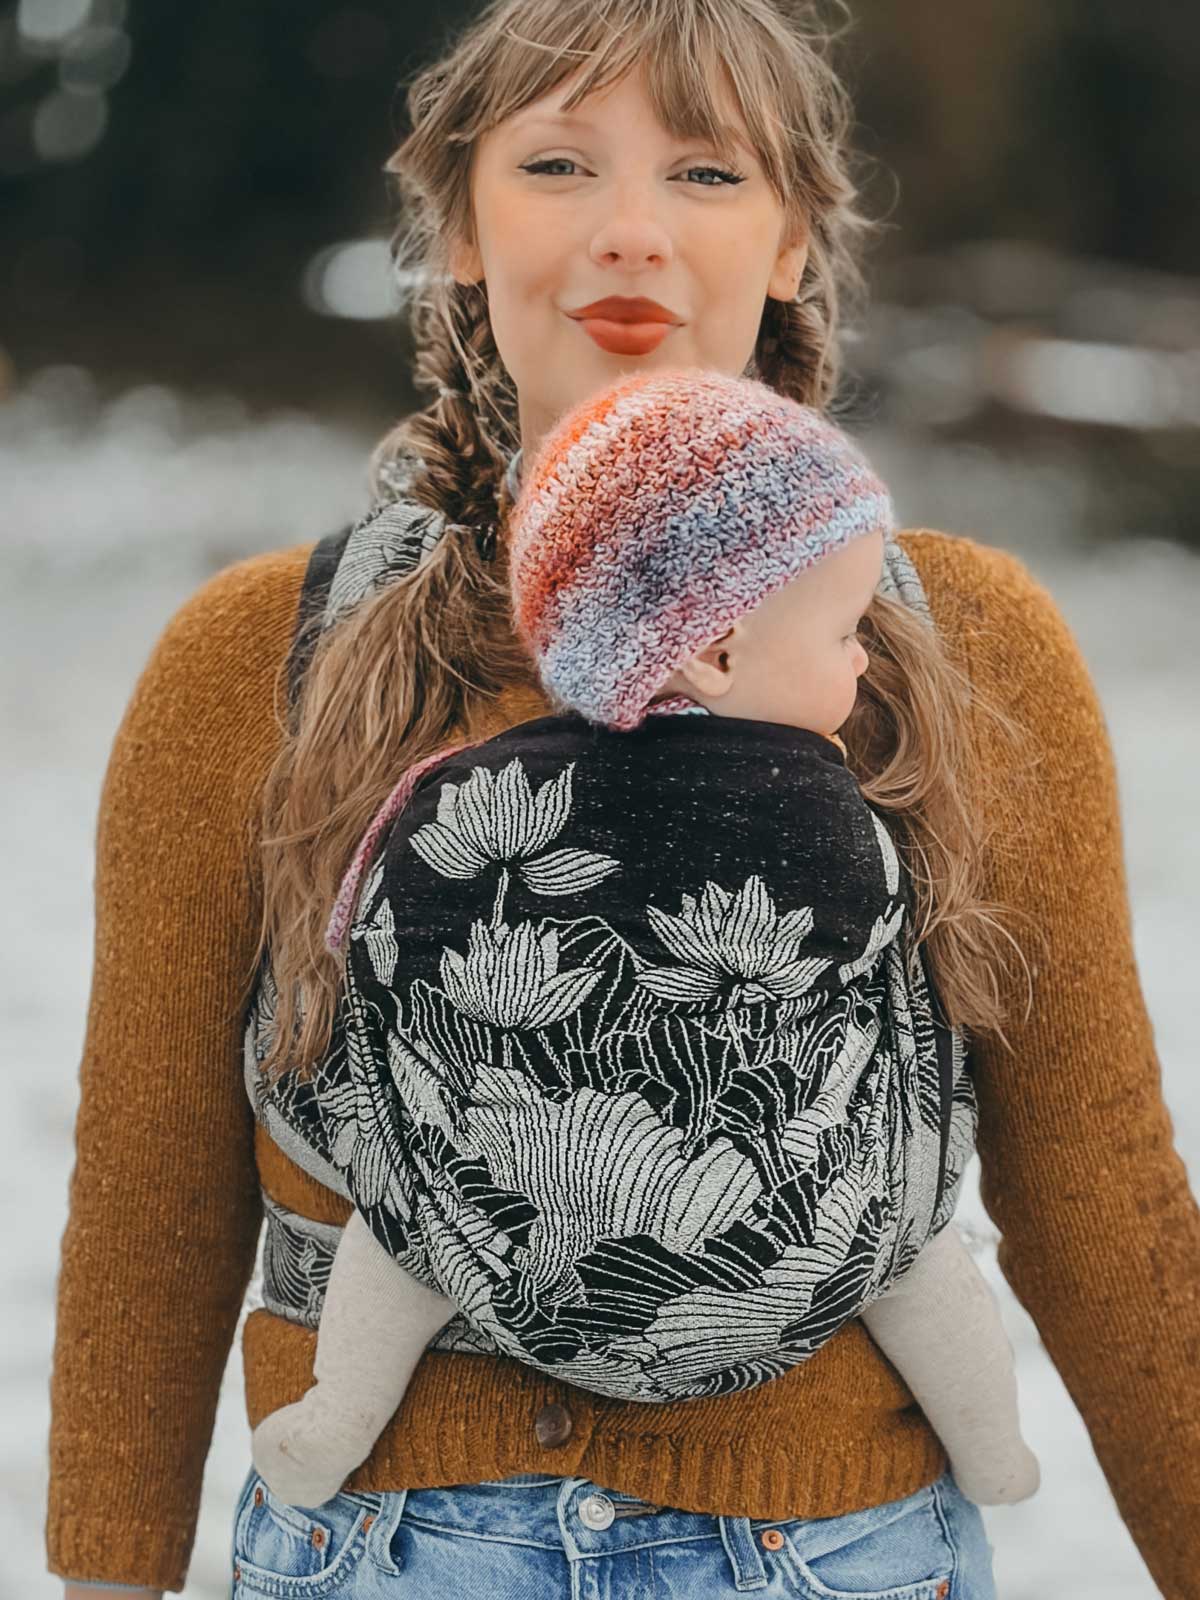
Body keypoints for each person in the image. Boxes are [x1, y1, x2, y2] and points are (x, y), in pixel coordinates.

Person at [45, 2, 1200, 1598]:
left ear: (794, 242)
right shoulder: (257, 655)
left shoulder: (974, 645)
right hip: (382, 1554)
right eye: (558, 164)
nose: (632, 231)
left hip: (840, 1552)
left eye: (708, 172)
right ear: (460, 226)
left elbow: (1099, 1188)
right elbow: (149, 1198)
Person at [247, 367, 1040, 1515]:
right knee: (914, 1256)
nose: (864, 659)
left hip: (501, 1252)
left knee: (398, 1240)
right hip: (787, 1258)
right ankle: (993, 1444)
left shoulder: (461, 796)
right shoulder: (831, 810)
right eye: (845, 631)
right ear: (715, 652)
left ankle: (339, 1413)